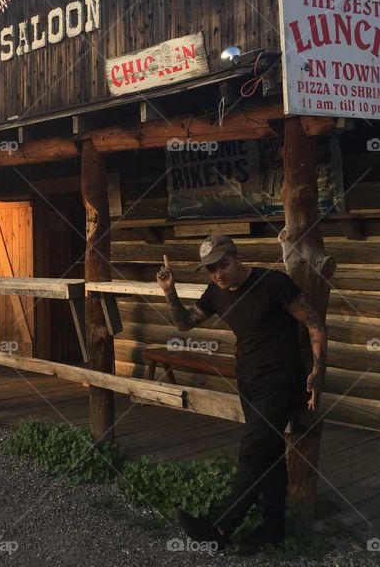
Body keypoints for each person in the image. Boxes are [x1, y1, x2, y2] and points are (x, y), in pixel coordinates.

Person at [155, 234, 327, 553]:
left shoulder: (272, 282)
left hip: (281, 381)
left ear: (238, 258)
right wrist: (170, 292)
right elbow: (184, 325)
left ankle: (220, 527)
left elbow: (314, 322)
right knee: (270, 454)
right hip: (248, 381)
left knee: (252, 452)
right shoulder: (216, 293)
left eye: (223, 265)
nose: (218, 274)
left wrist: (317, 372)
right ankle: (274, 531)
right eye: (211, 270)